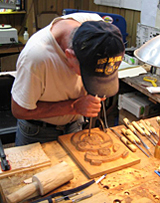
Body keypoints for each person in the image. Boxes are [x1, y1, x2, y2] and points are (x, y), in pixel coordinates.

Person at [11, 12, 125, 146]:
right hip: (39, 132)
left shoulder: (100, 33)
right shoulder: (36, 58)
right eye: (87, 74)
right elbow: (19, 110)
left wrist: (97, 88)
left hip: (74, 126)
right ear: (69, 56)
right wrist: (74, 107)